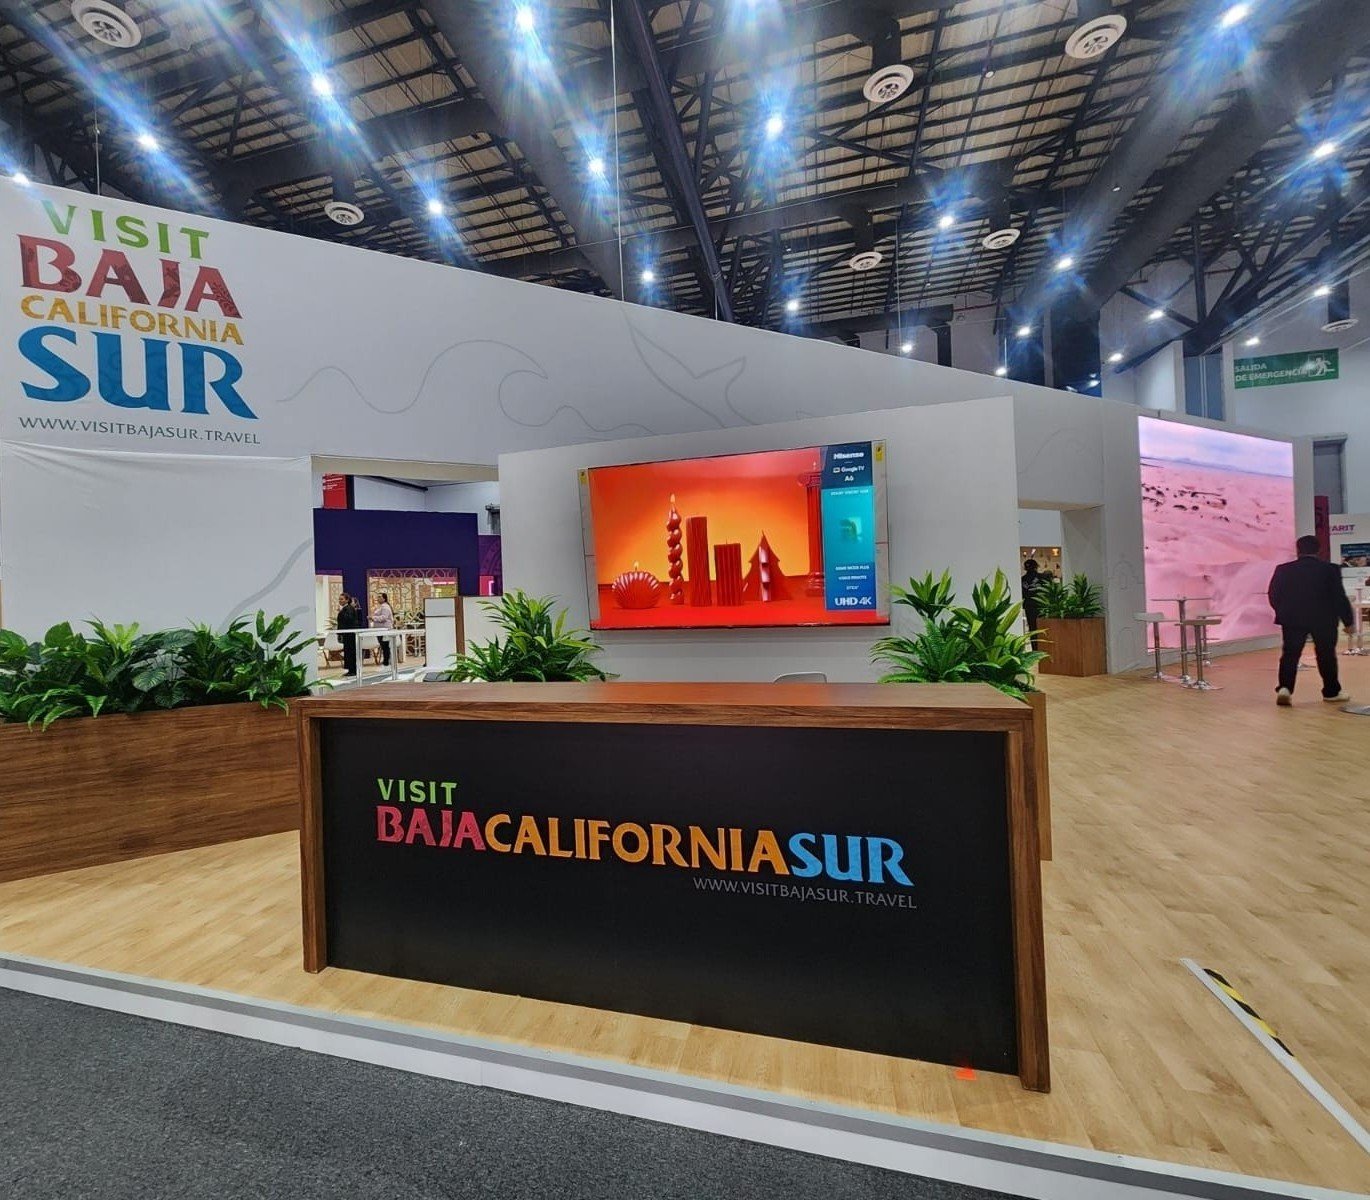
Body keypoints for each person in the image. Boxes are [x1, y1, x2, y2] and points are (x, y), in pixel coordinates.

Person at [1268, 534, 1354, 706]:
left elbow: (1273, 594)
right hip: (1324, 619)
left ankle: (1285, 688)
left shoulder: (1283, 569)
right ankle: (1331, 692)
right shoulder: (1330, 569)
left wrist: (1283, 611)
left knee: (1290, 655)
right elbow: (1339, 597)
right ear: (1319, 550)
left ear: (1298, 550)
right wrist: (1348, 621)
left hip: (1292, 619)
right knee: (1326, 655)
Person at [336, 592, 363, 677]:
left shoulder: (349, 608)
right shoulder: (345, 609)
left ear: (347, 600)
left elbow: (349, 619)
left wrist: (340, 612)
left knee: (350, 652)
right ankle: (350, 670)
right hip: (346, 634)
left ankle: (353, 670)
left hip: (350, 635)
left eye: (342, 599)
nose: (340, 601)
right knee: (348, 652)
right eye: (339, 599)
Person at [373, 591, 395, 666]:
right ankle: (386, 660)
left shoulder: (385, 607)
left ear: (384, 599)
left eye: (380, 597)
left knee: (385, 645)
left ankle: (386, 661)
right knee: (384, 646)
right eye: (378, 597)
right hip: (380, 630)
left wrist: (373, 618)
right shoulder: (381, 607)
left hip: (384, 629)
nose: (378, 598)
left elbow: (384, 617)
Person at [1021, 559, 1044, 631]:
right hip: (1042, 605)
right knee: (1043, 626)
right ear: (1036, 566)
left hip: (1029, 606)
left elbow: (1023, 593)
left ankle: (1033, 638)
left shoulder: (1022, 579)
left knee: (1032, 626)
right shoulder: (1042, 577)